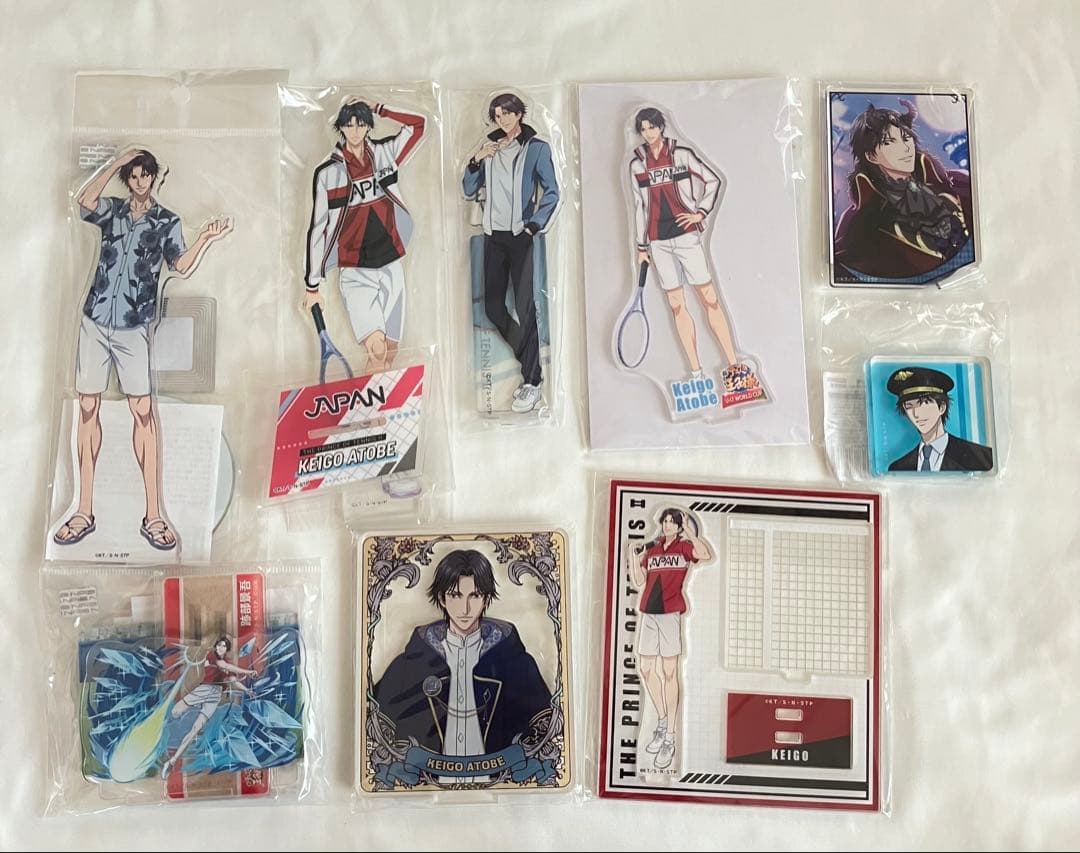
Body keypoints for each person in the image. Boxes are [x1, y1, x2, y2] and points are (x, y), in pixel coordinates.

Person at [53, 149, 230, 551]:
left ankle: (153, 515)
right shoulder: (112, 211)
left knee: (144, 412)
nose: (139, 181)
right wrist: (116, 161)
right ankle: (83, 510)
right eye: (132, 175)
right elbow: (85, 201)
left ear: (153, 177)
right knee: (87, 407)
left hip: (133, 326)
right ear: (127, 178)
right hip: (94, 319)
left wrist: (205, 238)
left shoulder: (166, 221)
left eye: (145, 175)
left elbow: (181, 266)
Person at [628, 107, 762, 398]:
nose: (648, 133)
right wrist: (641, 246)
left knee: (709, 299)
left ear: (661, 127)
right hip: (658, 243)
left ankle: (734, 368)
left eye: (652, 127)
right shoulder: (637, 164)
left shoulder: (681, 154)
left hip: (687, 237)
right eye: (643, 129)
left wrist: (700, 212)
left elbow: (713, 180)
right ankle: (696, 375)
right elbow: (639, 206)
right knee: (677, 306)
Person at [372, 549, 552, 762]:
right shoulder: (412, 663)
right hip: (428, 777)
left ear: (486, 598)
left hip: (497, 776)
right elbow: (377, 724)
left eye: (474, 596)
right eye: (455, 595)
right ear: (442, 598)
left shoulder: (515, 663)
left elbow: (542, 728)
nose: (465, 608)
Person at [305, 100, 426, 372]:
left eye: (360, 124)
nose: (355, 130)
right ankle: (371, 400)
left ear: (368, 126)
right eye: (349, 125)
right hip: (355, 268)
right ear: (341, 128)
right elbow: (318, 228)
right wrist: (312, 285)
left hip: (392, 261)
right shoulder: (327, 174)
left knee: (391, 350)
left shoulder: (384, 154)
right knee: (377, 349)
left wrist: (381, 108)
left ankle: (379, 398)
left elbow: (418, 125)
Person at [463, 93, 561, 414]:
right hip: (493, 237)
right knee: (492, 308)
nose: (502, 120)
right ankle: (531, 364)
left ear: (519, 114)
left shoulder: (537, 148)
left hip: (521, 236)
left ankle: (532, 380)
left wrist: (534, 226)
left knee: (525, 307)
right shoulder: (490, 148)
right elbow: (467, 189)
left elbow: (553, 192)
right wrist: (476, 159)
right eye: (497, 115)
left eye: (507, 113)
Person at [834, 100, 973, 281]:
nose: (906, 148)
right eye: (889, 142)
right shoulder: (859, 224)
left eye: (906, 138)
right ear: (871, 156)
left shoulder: (957, 184)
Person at [628, 508, 712, 770]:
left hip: (670, 613)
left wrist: (688, 530)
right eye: (664, 521)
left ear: (678, 525)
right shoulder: (653, 550)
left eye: (671, 522)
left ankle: (670, 738)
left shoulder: (684, 547)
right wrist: (633, 557)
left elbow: (705, 554)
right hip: (648, 612)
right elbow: (639, 581)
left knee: (669, 672)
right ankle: (662, 721)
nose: (666, 526)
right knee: (645, 669)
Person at [160, 636, 257, 779]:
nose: (221, 648)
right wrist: (248, 672)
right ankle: (161, 733)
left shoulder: (227, 664)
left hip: (215, 696)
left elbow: (234, 681)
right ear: (216, 646)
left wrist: (247, 690)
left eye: (224, 646)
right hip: (204, 689)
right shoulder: (212, 656)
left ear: (227, 649)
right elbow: (224, 666)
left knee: (195, 730)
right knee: (175, 712)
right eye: (219, 645)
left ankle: (171, 762)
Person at [886, 366, 993, 472]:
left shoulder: (981, 457)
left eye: (924, 403)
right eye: (909, 406)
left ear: (941, 407)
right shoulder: (898, 468)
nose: (916, 414)